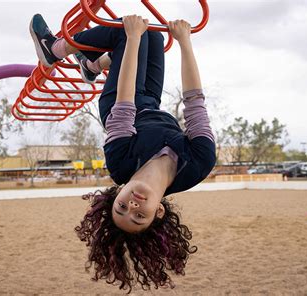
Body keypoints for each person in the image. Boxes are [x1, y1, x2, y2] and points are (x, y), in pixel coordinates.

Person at [30, 14, 216, 292]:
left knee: (126, 35)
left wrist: (130, 38)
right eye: (140, 216)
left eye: (122, 207)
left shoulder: (120, 162)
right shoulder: (198, 164)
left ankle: (54, 50)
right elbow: (194, 104)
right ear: (159, 211)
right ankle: (93, 65)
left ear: (117, 195)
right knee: (152, 34)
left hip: (121, 100)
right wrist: (184, 43)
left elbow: (125, 102)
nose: (133, 205)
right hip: (151, 101)